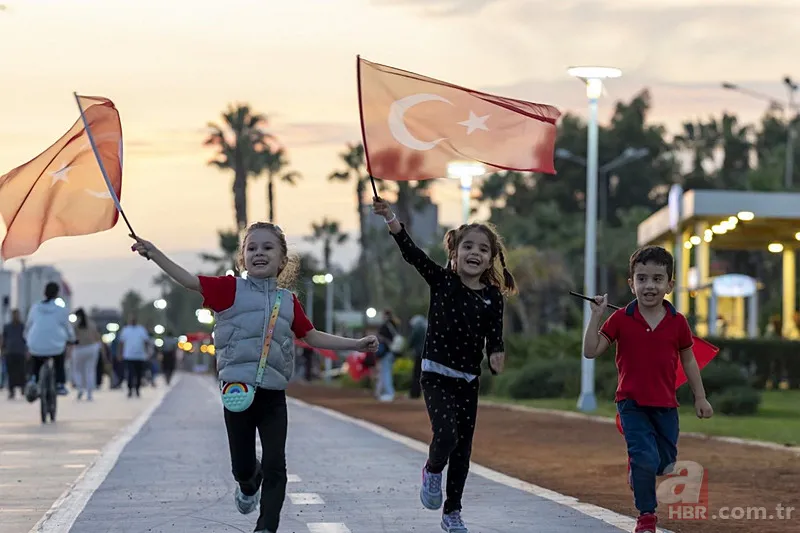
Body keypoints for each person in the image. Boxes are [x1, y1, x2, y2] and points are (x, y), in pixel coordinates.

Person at [130, 221, 378, 533]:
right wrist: (154, 253)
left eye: (267, 247)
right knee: (243, 468)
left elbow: (312, 336)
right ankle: (248, 485)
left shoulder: (288, 302)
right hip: (236, 392)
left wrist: (354, 344)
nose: (259, 253)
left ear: (282, 260)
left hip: (273, 394)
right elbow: (189, 281)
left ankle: (266, 526)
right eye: (252, 248)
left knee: (277, 463)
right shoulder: (229, 289)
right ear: (242, 258)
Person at [373, 198, 514, 533]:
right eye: (468, 246)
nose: (474, 253)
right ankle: (432, 470)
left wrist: (496, 354)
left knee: (463, 450)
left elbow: (494, 335)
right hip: (435, 374)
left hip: (468, 380)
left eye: (482, 249)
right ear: (455, 251)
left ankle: (452, 513)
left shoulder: (493, 296)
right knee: (447, 434)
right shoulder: (442, 281)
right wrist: (391, 217)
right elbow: (412, 253)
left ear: (490, 259)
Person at [582, 245, 714, 533]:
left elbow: (689, 361)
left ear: (670, 285)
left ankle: (640, 469)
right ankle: (646, 516)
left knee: (664, 462)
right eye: (642, 279)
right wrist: (596, 315)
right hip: (631, 404)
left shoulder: (678, 322)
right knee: (644, 457)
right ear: (632, 284)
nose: (649, 285)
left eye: (657, 279)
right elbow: (591, 351)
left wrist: (700, 397)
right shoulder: (620, 319)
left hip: (666, 405)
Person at [24, 282, 75, 396]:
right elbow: (68, 328)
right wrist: (72, 339)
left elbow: (28, 326)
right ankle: (60, 384)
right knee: (59, 358)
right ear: (57, 294)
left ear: (44, 293)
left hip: (35, 344)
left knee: (36, 359)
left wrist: (27, 340)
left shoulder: (35, 307)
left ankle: (34, 380)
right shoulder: (61, 310)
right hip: (56, 346)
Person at [71, 308, 102, 401]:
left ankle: (80, 388)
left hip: (79, 349)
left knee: (77, 370)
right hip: (91, 348)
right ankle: (89, 393)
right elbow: (97, 336)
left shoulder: (75, 324)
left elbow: (72, 337)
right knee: (90, 371)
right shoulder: (91, 323)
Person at [117, 314, 151, 398]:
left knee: (139, 374)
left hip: (139, 356)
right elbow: (121, 343)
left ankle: (137, 389)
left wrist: (147, 352)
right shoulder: (125, 330)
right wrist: (120, 354)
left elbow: (146, 342)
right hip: (129, 356)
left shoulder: (141, 330)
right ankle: (129, 389)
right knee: (130, 374)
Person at [374, 309, 399, 402]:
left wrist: (380, 337)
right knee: (385, 372)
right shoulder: (394, 324)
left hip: (386, 352)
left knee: (385, 373)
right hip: (390, 352)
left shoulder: (385, 326)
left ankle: (389, 393)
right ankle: (380, 392)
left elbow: (382, 338)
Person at [2, 309, 28, 399]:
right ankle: (11, 390)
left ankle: (23, 388)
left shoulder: (23, 326)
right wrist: (2, 350)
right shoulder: (7, 327)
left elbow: (26, 339)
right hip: (10, 352)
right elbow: (3, 339)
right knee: (11, 372)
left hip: (20, 352)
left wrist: (28, 350)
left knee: (22, 371)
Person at [407, 314, 427, 399]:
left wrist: (408, 347)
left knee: (416, 373)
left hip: (419, 353)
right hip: (427, 354)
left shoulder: (417, 328)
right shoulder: (426, 326)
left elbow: (412, 340)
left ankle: (415, 393)